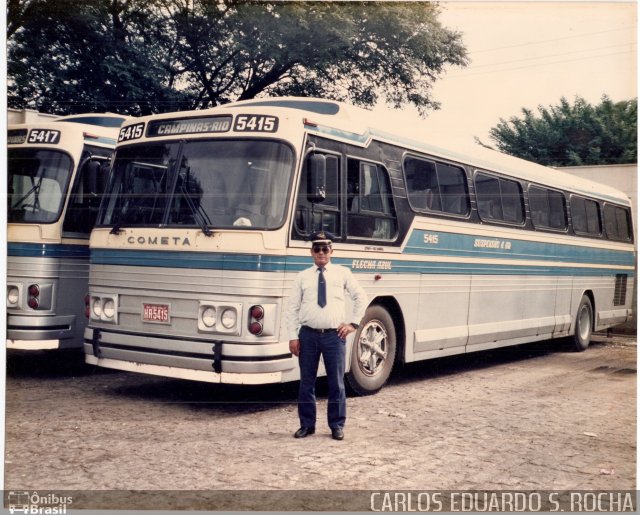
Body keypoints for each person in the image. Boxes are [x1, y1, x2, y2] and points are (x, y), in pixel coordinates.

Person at [286, 231, 368, 440]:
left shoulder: (342, 273)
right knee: (307, 382)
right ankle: (307, 425)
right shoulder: (302, 277)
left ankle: (337, 425)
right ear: (311, 252)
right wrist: (292, 336)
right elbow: (292, 308)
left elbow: (361, 297)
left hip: (334, 337)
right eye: (317, 249)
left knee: (336, 382)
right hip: (308, 336)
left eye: (325, 249)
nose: (321, 253)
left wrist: (353, 324)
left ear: (332, 251)